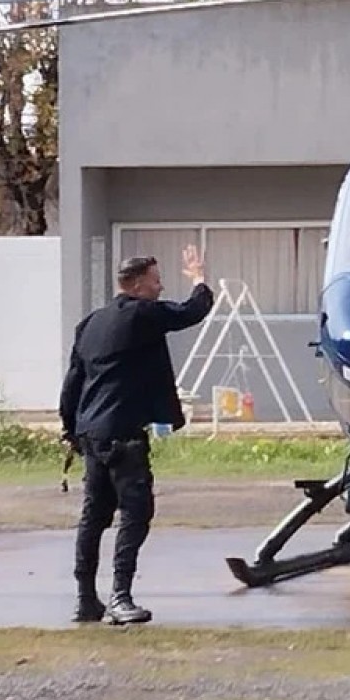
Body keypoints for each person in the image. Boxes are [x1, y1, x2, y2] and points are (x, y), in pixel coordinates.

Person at [60, 245, 213, 624]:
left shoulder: (90, 323)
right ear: (138, 285)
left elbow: (73, 382)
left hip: (91, 431)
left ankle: (85, 598)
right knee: (136, 511)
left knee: (94, 515)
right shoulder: (142, 314)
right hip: (123, 431)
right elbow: (191, 311)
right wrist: (198, 277)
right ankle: (120, 596)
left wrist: (70, 428)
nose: (160, 288)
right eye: (156, 281)